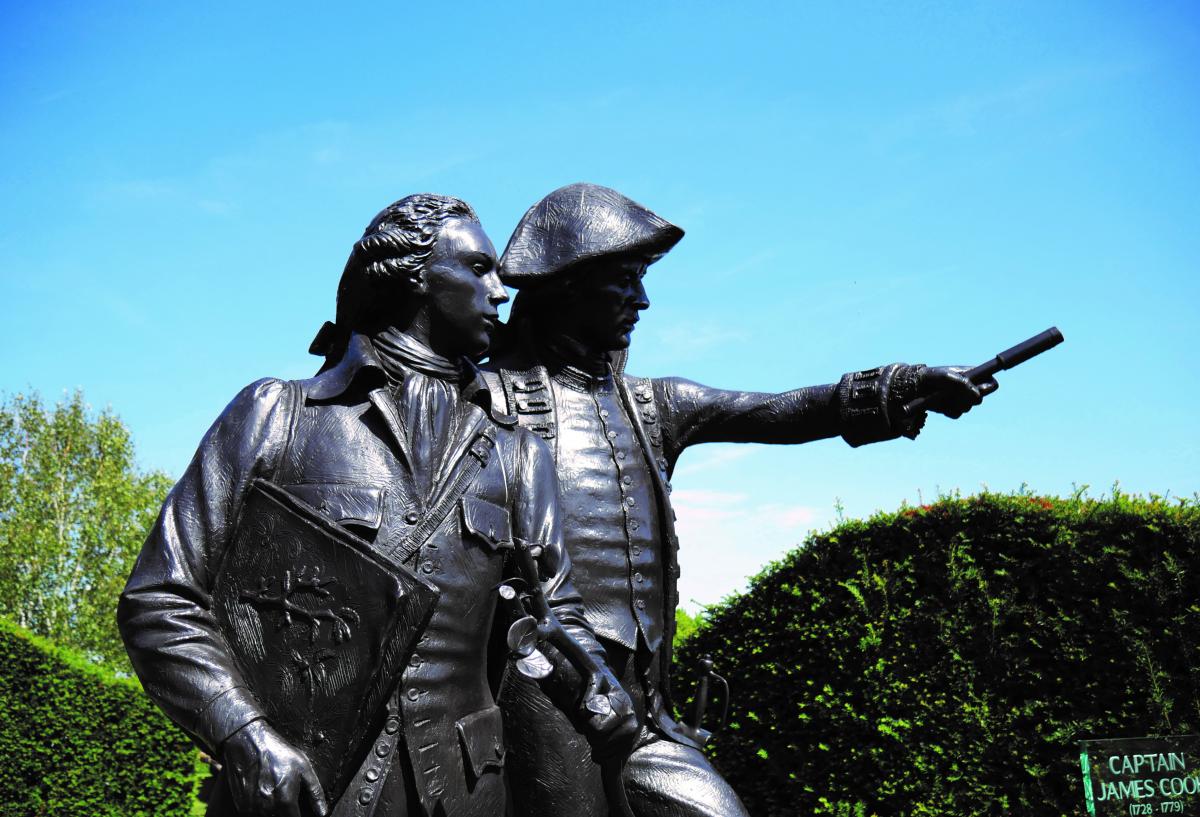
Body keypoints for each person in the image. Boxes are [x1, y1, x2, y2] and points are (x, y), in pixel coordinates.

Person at [484, 182, 998, 817]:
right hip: (542, 692)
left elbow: (778, 411)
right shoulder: (484, 399)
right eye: (626, 280)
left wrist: (903, 386)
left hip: (642, 700)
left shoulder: (652, 404)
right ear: (569, 284)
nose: (643, 300)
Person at [119, 193, 635, 817]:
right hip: (307, 790)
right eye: (478, 268)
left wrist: (595, 679)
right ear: (412, 275)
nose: (501, 292)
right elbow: (162, 598)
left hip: (467, 795)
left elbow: (557, 612)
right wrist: (244, 733)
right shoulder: (278, 416)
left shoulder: (518, 453)